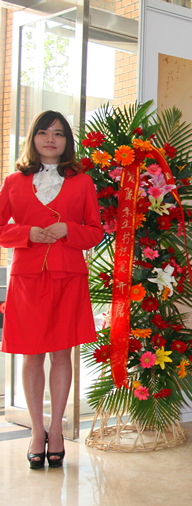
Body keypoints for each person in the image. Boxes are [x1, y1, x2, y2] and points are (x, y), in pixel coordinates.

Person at [0, 110, 103, 469]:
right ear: (33, 138)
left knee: (62, 354)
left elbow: (95, 231)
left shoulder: (83, 183)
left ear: (67, 142)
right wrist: (25, 233)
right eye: (44, 132)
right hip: (27, 279)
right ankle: (36, 431)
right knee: (31, 355)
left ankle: (56, 430)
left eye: (58, 134)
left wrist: (69, 230)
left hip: (67, 276)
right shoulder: (13, 182)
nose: (50, 139)